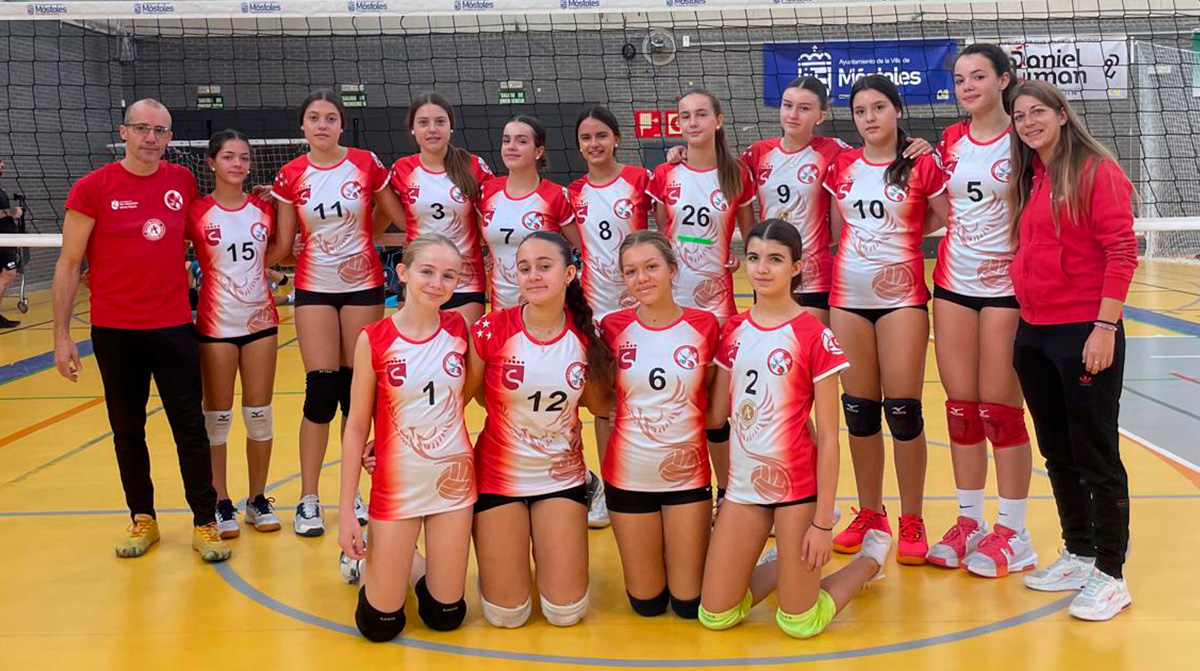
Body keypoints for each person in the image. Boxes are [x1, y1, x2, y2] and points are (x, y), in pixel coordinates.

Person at [51, 98, 231, 562]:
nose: (152, 138)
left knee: (190, 427)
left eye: (161, 131)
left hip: (174, 326)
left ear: (169, 137)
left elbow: (210, 226)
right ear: (124, 132)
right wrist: (61, 336)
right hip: (115, 330)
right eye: (142, 129)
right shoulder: (92, 188)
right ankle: (143, 518)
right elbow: (69, 263)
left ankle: (205, 521)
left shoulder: (182, 180)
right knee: (127, 429)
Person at [700, 220, 886, 637]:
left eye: (775, 260)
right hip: (745, 489)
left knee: (800, 622)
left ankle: (870, 560)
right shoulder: (733, 330)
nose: (762, 269)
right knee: (715, 615)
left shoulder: (813, 335)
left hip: (797, 490)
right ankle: (783, 563)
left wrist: (822, 523)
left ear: (796, 267)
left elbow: (830, 438)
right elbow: (716, 416)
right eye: (754, 258)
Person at [1008, 79, 1137, 621]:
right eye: (1020, 116)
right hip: (1035, 331)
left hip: (1084, 329)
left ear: (1062, 114)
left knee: (1095, 453)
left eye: (1038, 111)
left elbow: (1122, 251)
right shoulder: (1032, 176)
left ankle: (1111, 573)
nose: (1029, 122)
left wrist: (1104, 326)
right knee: (1058, 452)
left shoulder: (1096, 170)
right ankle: (1079, 552)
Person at [271, 88, 406, 536]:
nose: (323, 125)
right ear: (303, 125)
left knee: (356, 393)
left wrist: (361, 239)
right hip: (314, 286)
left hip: (362, 286)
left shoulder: (365, 163)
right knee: (320, 391)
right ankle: (308, 497)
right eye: (314, 117)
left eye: (331, 118)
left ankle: (353, 495)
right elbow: (284, 243)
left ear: (342, 125)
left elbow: (395, 216)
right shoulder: (291, 174)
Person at [825, 75, 948, 566]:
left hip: (901, 299)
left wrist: (907, 231)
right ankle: (871, 513)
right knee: (859, 412)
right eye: (860, 111)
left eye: (878, 107)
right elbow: (837, 228)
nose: (869, 118)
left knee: (903, 412)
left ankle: (912, 518)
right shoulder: (842, 166)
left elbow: (943, 216)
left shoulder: (921, 163)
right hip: (847, 298)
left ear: (897, 110)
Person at [926, 45, 1036, 576]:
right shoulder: (949, 139)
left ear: (1003, 80)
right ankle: (969, 522)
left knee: (1000, 409)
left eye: (978, 77)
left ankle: (1014, 532)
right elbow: (944, 209)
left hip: (1006, 288)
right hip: (952, 283)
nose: (967, 86)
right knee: (961, 409)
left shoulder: (1023, 137)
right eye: (960, 79)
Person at [468, 231, 611, 629]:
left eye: (544, 267)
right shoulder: (491, 329)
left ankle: (559, 531)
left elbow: (598, 405)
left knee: (566, 612)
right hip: (498, 478)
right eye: (524, 268)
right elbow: (466, 398)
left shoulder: (586, 337)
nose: (533, 276)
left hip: (560, 478)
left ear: (569, 273)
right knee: (507, 615)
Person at [339, 233, 478, 642]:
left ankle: (408, 561)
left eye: (448, 275)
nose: (437, 283)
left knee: (445, 616)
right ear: (402, 272)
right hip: (397, 486)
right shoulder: (374, 338)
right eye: (427, 271)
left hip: (452, 483)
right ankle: (372, 562)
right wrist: (347, 512)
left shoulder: (459, 329)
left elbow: (465, 395)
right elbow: (356, 426)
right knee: (380, 626)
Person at [598, 230, 717, 619]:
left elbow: (712, 403)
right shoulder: (611, 328)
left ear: (672, 269)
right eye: (631, 271)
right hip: (629, 479)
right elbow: (600, 403)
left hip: (687, 479)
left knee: (688, 605)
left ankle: (695, 551)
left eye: (651, 267)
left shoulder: (705, 326)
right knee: (646, 605)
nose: (642, 278)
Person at [649, 88, 754, 509]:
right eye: (685, 116)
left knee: (718, 410)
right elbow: (662, 238)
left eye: (700, 115)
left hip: (717, 306)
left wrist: (735, 257)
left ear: (718, 120)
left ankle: (730, 492)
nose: (692, 123)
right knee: (677, 401)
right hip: (672, 305)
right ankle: (685, 490)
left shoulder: (736, 175)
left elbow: (751, 239)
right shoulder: (666, 173)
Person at [185, 129, 284, 537]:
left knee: (259, 416)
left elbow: (280, 250)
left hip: (260, 322)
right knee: (217, 420)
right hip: (216, 324)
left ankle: (257, 500)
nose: (238, 164)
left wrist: (279, 200)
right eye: (229, 157)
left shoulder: (263, 209)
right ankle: (220, 501)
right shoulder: (196, 211)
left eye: (244, 157)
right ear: (212, 162)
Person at [568, 105, 653, 529]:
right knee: (603, 407)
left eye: (601, 135)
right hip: (596, 313)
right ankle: (610, 490)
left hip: (640, 312)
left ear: (617, 138)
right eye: (586, 138)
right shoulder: (573, 192)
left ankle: (650, 482)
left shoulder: (640, 179)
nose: (594, 144)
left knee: (645, 401)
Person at [389, 92, 494, 324]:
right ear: (413, 129)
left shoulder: (473, 166)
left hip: (465, 279)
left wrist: (491, 250)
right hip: (420, 277)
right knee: (419, 346)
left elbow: (492, 217)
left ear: (450, 127)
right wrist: (414, 235)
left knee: (462, 346)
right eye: (423, 123)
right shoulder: (402, 169)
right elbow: (388, 211)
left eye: (440, 122)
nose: (432, 129)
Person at [477, 115, 580, 312]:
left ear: (538, 151)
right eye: (506, 140)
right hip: (502, 308)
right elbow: (479, 239)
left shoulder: (556, 196)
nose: (511, 146)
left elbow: (581, 246)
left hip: (547, 307)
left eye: (521, 141)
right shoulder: (486, 192)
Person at [0, 155, 23, 328]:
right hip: (2, 240)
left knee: (5, 275)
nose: (2, 165)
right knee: (8, 274)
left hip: (6, 239)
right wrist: (11, 213)